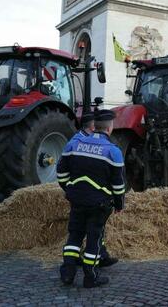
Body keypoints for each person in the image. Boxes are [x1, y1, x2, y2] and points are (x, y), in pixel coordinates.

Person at [57, 109, 125, 288]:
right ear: (109, 128)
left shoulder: (74, 144)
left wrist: (70, 190)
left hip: (77, 200)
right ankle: (90, 277)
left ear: (94, 126)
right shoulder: (113, 151)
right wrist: (119, 204)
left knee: (75, 236)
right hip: (99, 204)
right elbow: (118, 184)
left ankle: (68, 273)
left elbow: (61, 172)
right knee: (94, 239)